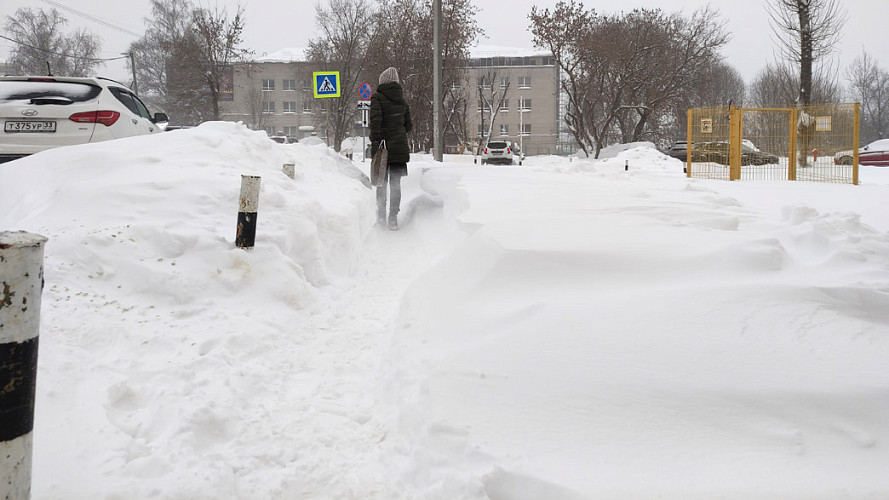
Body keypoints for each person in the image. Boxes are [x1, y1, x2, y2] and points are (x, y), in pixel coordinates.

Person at [369, 66, 412, 230]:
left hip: (383, 147)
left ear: (383, 82)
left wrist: (375, 141)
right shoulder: (402, 101)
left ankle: (381, 218)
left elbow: (375, 122)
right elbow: (408, 126)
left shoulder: (377, 98)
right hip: (399, 148)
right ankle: (393, 219)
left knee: (381, 183)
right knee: (396, 184)